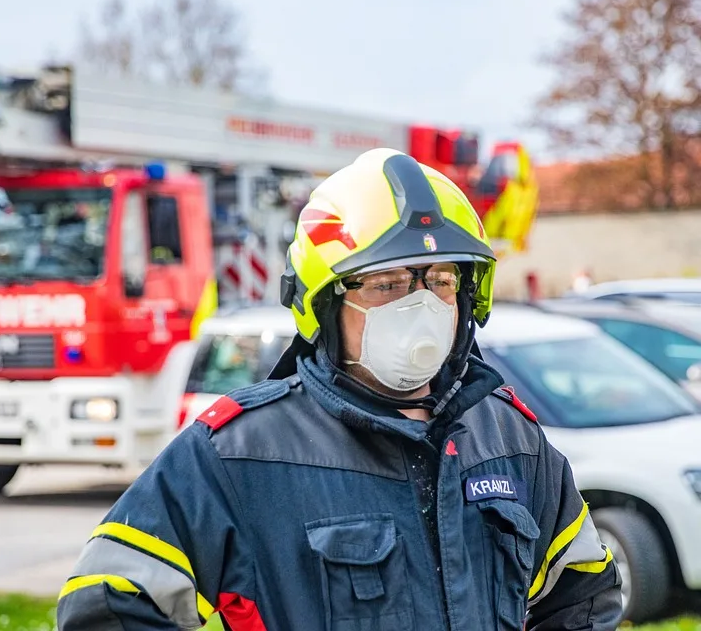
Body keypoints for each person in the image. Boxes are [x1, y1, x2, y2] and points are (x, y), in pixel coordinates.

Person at [56, 148, 622, 630]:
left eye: (442, 281)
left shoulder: (512, 440)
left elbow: (584, 597)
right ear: (324, 303)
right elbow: (106, 603)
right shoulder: (237, 454)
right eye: (387, 283)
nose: (420, 305)